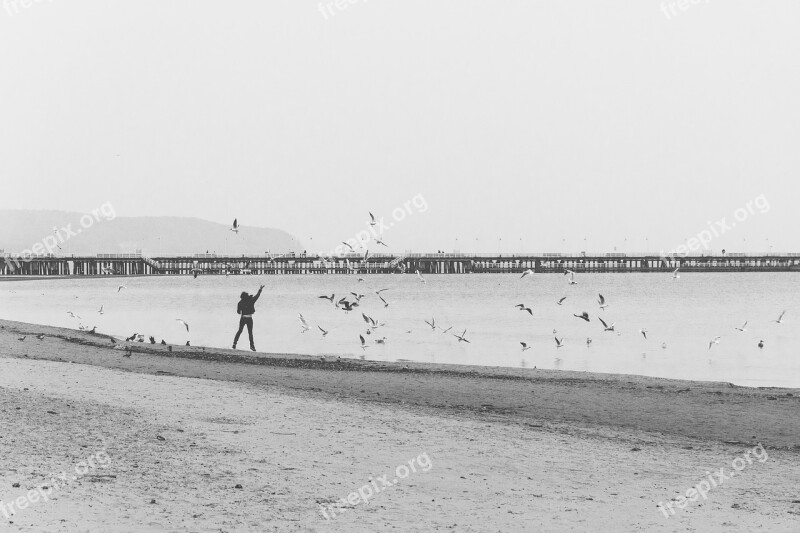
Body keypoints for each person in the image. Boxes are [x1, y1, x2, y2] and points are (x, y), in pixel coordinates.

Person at [233, 284, 264, 351]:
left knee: (239, 331)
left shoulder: (240, 303)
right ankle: (252, 346)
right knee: (250, 333)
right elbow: (257, 296)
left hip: (243, 318)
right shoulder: (251, 300)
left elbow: (238, 312)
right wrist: (260, 289)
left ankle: (234, 344)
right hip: (249, 318)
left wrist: (242, 311)